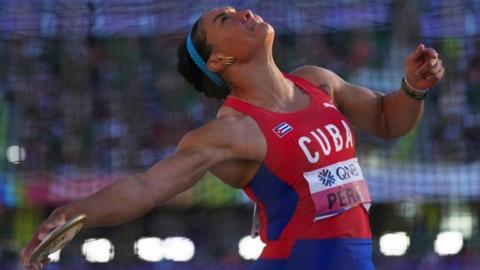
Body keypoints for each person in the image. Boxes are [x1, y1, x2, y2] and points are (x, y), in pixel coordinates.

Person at [21, 6, 444, 270]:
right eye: (225, 19)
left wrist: (413, 86)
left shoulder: (318, 83)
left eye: (236, 8)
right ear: (219, 59)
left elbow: (390, 120)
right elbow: (147, 186)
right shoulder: (232, 131)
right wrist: (74, 212)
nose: (243, 12)